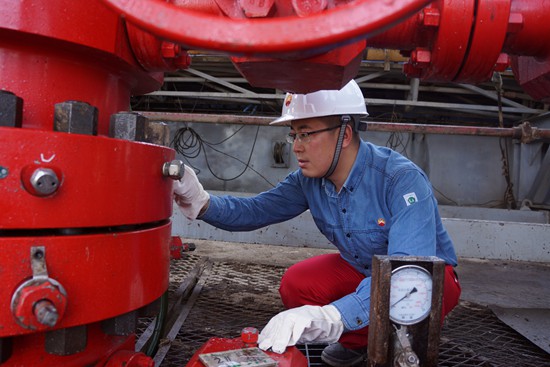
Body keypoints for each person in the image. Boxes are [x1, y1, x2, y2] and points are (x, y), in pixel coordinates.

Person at [173, 80, 461, 367]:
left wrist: (333, 317)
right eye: (293, 135)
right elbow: (257, 210)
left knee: (415, 291)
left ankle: (403, 333)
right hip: (363, 269)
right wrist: (202, 203)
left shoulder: (400, 180)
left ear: (345, 134)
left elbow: (406, 274)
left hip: (424, 279)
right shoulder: (307, 181)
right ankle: (359, 342)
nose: (296, 147)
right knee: (297, 285)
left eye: (306, 134)